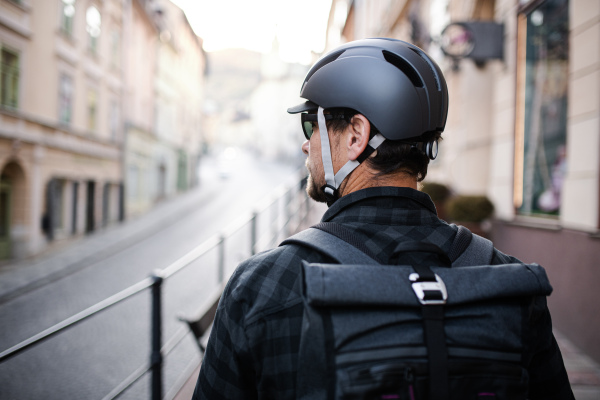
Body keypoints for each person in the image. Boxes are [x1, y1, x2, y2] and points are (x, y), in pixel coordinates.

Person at [192, 38, 573, 399]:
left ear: (357, 135)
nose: (306, 143)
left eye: (312, 124)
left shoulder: (264, 285)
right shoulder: (510, 284)